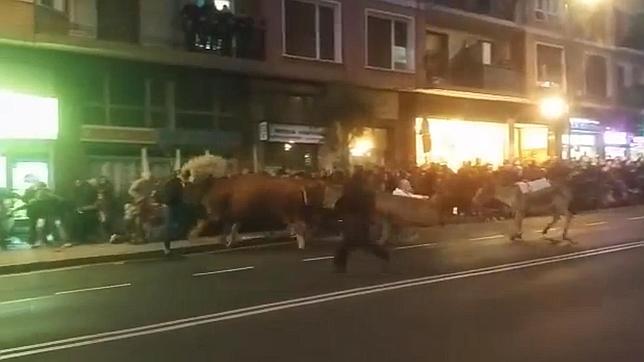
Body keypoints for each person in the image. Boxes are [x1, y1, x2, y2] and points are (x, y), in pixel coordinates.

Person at [333, 168, 389, 273]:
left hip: (352, 217)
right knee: (360, 242)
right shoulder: (365, 189)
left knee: (352, 242)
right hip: (359, 218)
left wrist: (339, 211)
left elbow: (343, 200)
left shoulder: (350, 187)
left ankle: (340, 264)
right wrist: (371, 217)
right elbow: (369, 204)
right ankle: (384, 254)